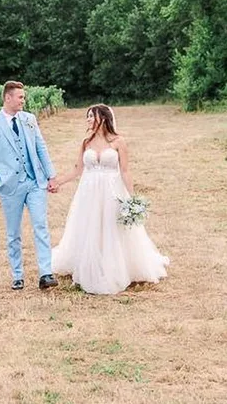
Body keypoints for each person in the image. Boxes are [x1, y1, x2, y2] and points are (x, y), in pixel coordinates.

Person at [50, 104, 169, 294]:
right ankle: (90, 262)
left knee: (111, 226)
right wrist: (57, 182)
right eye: (88, 116)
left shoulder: (118, 141)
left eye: (92, 116)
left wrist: (132, 198)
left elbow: (125, 171)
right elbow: (77, 169)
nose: (88, 119)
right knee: (90, 226)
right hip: (89, 193)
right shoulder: (86, 142)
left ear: (103, 118)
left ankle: (115, 265)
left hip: (112, 191)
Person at [0, 80, 59, 291]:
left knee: (41, 226)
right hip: (10, 186)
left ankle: (45, 273)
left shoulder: (29, 119)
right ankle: (17, 275)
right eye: (20, 97)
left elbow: (41, 148)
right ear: (8, 98)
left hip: (34, 182)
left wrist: (51, 175)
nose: (23, 100)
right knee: (13, 233)